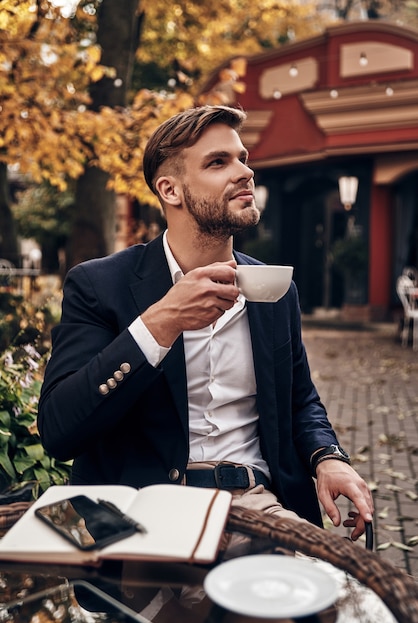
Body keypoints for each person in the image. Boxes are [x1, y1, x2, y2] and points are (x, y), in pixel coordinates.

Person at [38, 104, 373, 540]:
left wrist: (328, 457)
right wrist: (160, 323)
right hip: (141, 513)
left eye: (242, 159)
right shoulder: (99, 285)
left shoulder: (275, 290)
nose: (244, 172)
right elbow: (60, 431)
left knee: (347, 599)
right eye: (218, 162)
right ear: (170, 190)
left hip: (259, 504)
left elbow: (299, 400)